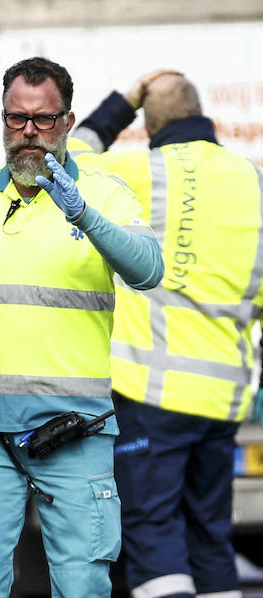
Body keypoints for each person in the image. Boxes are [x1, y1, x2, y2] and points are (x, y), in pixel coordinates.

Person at [0, 56, 165, 598]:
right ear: (3, 122)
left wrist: (82, 212)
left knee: (83, 585)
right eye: (16, 119)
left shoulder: (104, 195)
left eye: (42, 119)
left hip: (73, 427)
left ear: (66, 121)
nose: (29, 133)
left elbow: (148, 270)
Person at [71, 70, 263, 598]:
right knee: (211, 540)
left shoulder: (139, 171)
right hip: (222, 399)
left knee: (153, 532)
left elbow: (68, 160)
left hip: (150, 393)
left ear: (150, 122)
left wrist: (121, 104)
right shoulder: (254, 182)